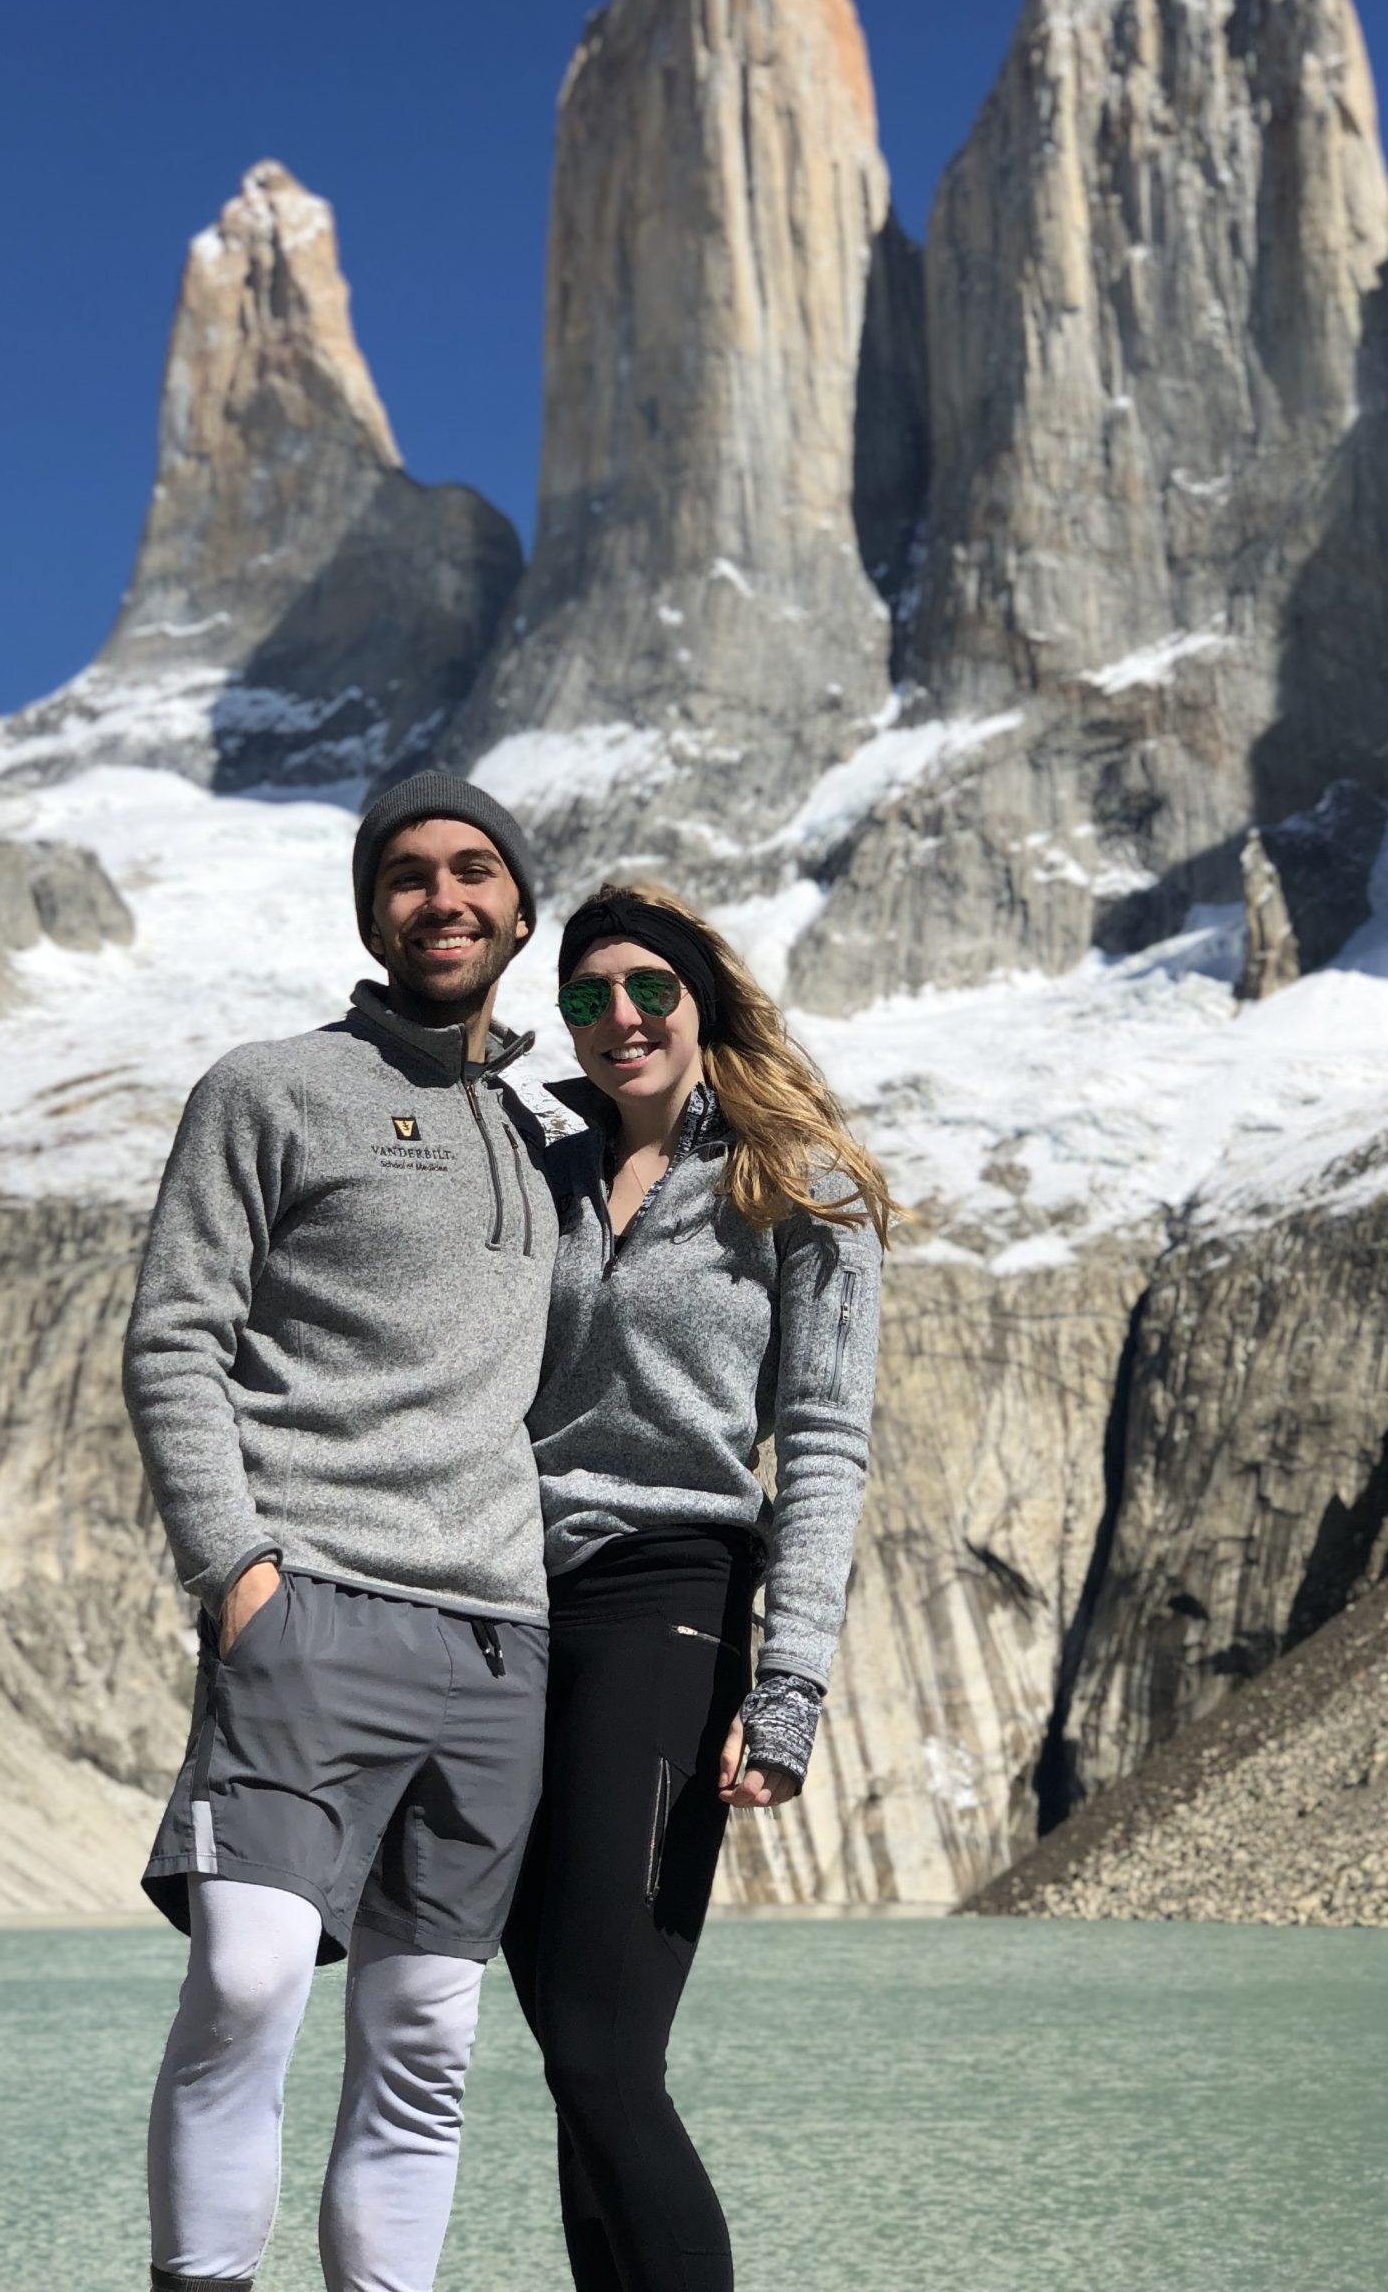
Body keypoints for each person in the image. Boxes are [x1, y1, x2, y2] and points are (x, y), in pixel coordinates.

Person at [122, 772, 558, 2292]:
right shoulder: (272, 1088)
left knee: (426, 2034)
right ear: (372, 914)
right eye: (407, 875)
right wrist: (237, 1572)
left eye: (474, 870)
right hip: (310, 1603)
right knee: (248, 1983)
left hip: (501, 1644)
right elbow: (174, 1339)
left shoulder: (548, 1133)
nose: (443, 898)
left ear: (521, 908)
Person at [502, 882, 889, 2292]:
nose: (620, 1017)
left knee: (602, 2052)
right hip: (514, 1620)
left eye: (648, 988)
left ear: (699, 1000)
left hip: (669, 1602)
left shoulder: (798, 1179)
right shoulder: (542, 1175)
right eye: (588, 995)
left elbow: (826, 1444)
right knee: (575, 2067)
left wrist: (789, 1690)